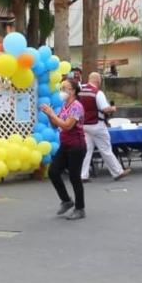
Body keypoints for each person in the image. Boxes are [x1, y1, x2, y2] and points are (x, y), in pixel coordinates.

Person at [41, 79, 87, 220]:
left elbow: (67, 125)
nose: (62, 91)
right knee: (53, 172)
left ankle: (80, 209)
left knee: (74, 177)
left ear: (73, 91)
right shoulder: (64, 106)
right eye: (61, 88)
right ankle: (66, 200)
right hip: (65, 145)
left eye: (65, 88)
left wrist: (53, 114)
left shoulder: (76, 106)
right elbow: (56, 126)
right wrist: (49, 115)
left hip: (76, 146)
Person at [78, 72, 131, 182]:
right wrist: (113, 108)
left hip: (83, 124)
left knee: (87, 150)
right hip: (96, 124)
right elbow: (104, 108)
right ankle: (117, 172)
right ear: (98, 81)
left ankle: (82, 175)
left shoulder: (80, 89)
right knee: (105, 149)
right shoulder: (97, 93)